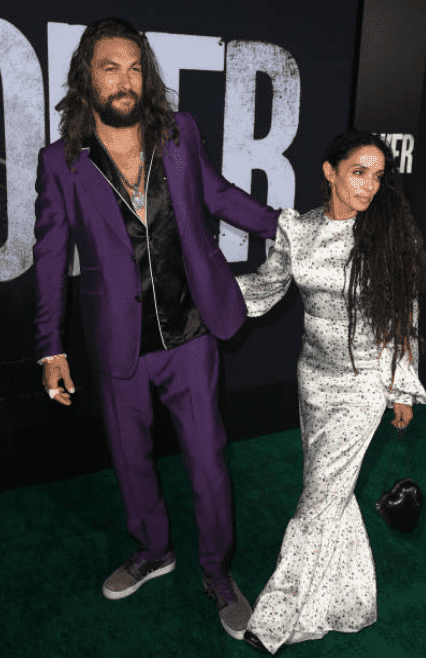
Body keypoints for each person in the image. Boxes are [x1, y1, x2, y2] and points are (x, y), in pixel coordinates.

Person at [32, 17, 282, 641]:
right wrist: (49, 344)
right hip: (120, 339)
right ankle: (153, 550)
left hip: (192, 331)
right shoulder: (60, 161)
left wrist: (288, 227)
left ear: (147, 76)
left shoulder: (178, 132)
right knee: (130, 459)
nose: (124, 80)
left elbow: (220, 195)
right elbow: (50, 252)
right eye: (110, 68)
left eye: (134, 67)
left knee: (208, 462)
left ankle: (218, 574)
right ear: (87, 78)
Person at [237, 130, 426, 654]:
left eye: (377, 176)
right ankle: (349, 601)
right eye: (358, 172)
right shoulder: (297, 230)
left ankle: (275, 619)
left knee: (317, 501)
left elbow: (403, 319)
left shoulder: (388, 234)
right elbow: (263, 289)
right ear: (330, 171)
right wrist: (205, 293)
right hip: (313, 379)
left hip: (364, 383)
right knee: (331, 493)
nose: (369, 186)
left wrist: (400, 389)